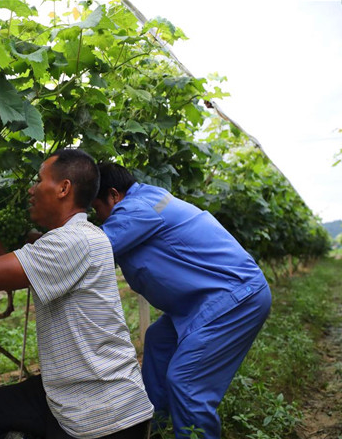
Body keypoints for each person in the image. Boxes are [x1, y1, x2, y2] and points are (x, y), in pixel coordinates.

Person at [0, 149, 153, 439]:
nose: (31, 190)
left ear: (64, 188)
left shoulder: (73, 241)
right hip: (77, 391)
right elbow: (5, 273)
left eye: (39, 180)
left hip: (104, 416)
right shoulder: (74, 237)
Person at [91, 163, 272, 439]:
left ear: (114, 196)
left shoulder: (137, 208)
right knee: (159, 342)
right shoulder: (147, 201)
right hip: (211, 300)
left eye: (96, 209)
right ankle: (157, 428)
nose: (99, 217)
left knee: (186, 381)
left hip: (234, 298)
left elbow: (90, 252)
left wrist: (45, 245)